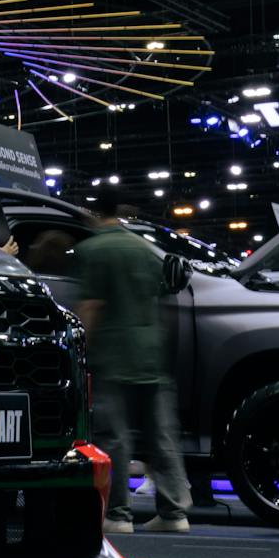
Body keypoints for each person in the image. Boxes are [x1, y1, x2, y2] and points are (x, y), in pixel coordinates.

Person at [76, 186, 193, 533]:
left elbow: (91, 308)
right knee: (162, 436)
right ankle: (175, 514)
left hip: (112, 355)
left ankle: (118, 514)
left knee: (115, 437)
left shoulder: (92, 250)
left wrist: (80, 349)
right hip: (150, 354)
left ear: (93, 213)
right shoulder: (144, 249)